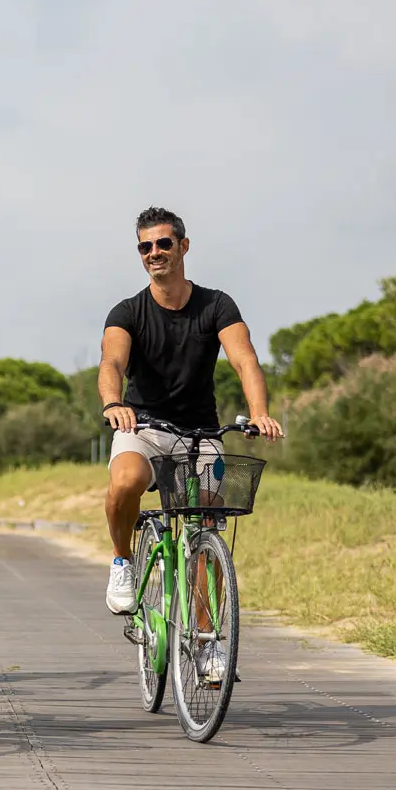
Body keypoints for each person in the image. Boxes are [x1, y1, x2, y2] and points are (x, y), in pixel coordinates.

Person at [99, 207, 283, 667]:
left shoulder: (216, 305)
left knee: (208, 530)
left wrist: (259, 413)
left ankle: (207, 642)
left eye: (163, 243)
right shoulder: (128, 311)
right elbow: (112, 364)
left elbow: (244, 359)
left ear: (183, 246)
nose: (154, 253)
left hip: (201, 433)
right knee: (124, 482)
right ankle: (122, 561)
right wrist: (113, 403)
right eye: (145, 247)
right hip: (143, 428)